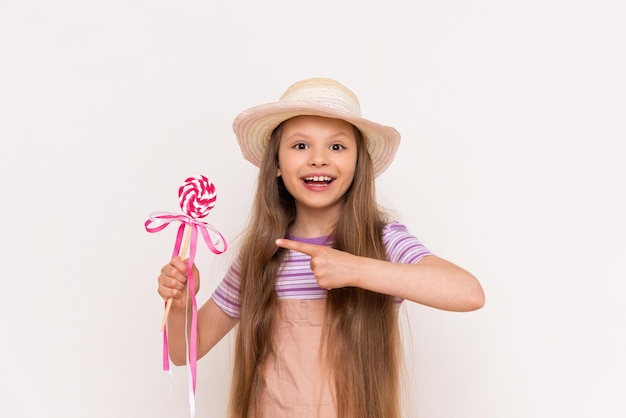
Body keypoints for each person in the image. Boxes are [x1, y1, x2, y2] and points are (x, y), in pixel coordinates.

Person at [157, 77, 485, 418]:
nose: (318, 159)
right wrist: (181, 305)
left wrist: (356, 268)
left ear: (359, 164)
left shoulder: (382, 241)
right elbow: (184, 352)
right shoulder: (261, 257)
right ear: (277, 166)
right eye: (300, 146)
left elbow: (468, 293)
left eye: (337, 147)